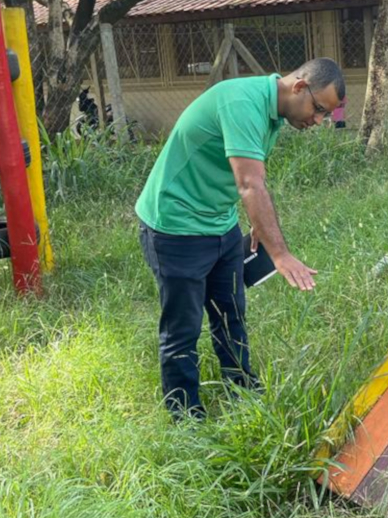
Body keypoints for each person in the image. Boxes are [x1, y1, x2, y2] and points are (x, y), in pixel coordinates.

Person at [135, 58, 345, 420]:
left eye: (325, 115)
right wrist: (279, 254)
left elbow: (242, 176)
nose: (318, 121)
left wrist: (256, 229)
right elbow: (250, 184)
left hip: (220, 224)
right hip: (176, 226)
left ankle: (242, 392)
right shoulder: (242, 103)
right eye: (319, 110)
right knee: (183, 329)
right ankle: (187, 418)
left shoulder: (274, 114)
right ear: (299, 87)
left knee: (231, 315)